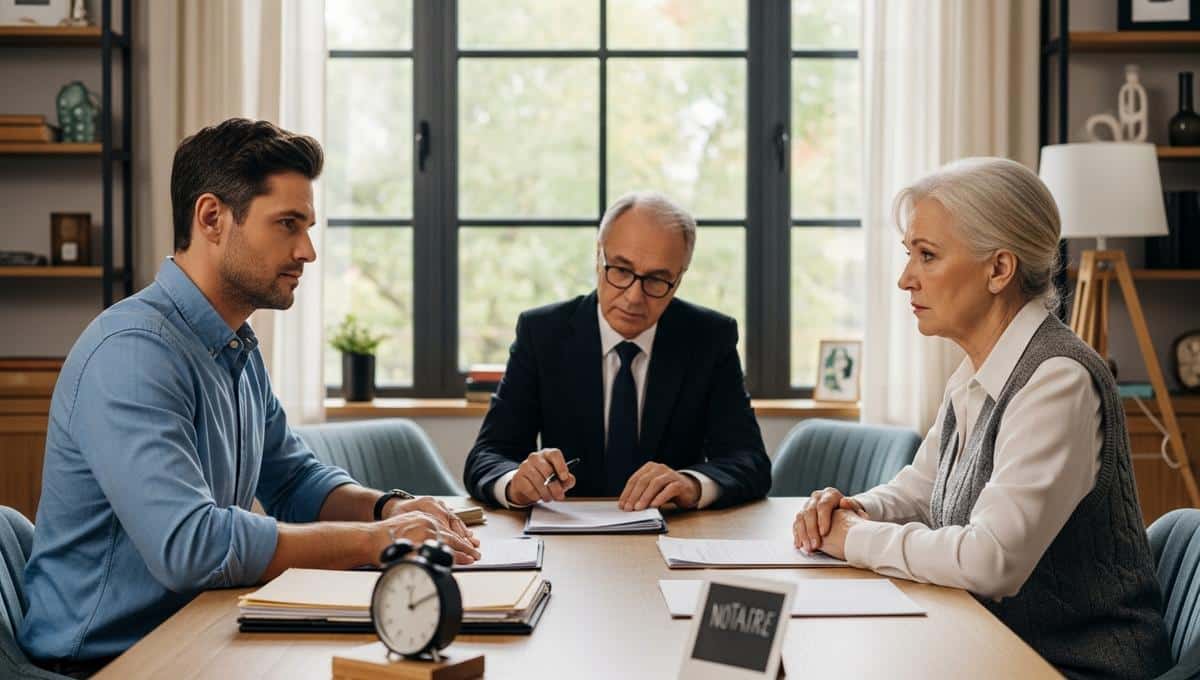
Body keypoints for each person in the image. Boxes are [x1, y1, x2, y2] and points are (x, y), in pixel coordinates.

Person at [18, 118, 480, 676]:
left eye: (308, 227)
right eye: (287, 224)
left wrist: (390, 507)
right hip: (107, 663)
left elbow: (293, 479)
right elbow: (192, 546)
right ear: (212, 218)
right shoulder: (133, 355)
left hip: (201, 631)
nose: (307, 250)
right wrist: (374, 540)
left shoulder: (233, 344)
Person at [791, 157, 1172, 678]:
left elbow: (991, 561)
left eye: (927, 256)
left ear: (998, 269)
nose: (906, 279)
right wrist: (856, 508)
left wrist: (852, 538)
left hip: (1071, 666)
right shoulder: (978, 370)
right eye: (909, 255)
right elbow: (923, 492)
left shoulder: (1057, 380)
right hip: (990, 645)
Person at [463, 191, 771, 511]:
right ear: (599, 257)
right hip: (567, 540)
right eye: (621, 271)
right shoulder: (542, 333)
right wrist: (515, 482)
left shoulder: (709, 338)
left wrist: (691, 484)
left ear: (678, 279)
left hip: (672, 538)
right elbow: (487, 456)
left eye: (656, 279)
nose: (634, 297)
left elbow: (749, 462)